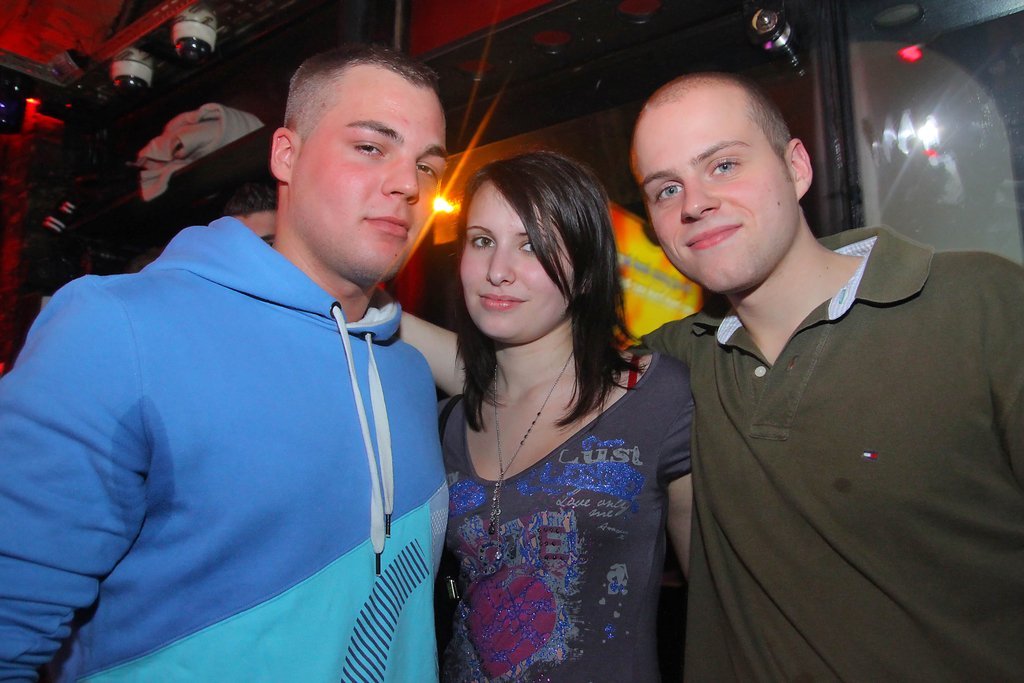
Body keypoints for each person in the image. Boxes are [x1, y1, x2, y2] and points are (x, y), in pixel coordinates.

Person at [0, 44, 449, 682]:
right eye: (371, 146)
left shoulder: (408, 372)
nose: (409, 184)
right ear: (286, 155)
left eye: (427, 165)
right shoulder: (120, 329)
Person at [631, 71, 1024, 680]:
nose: (694, 203)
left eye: (724, 165)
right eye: (666, 189)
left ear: (796, 167)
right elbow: (527, 380)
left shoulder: (980, 305)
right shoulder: (675, 365)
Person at [404, 150, 693, 681]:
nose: (497, 271)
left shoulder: (655, 400)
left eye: (532, 245)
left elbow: (720, 599)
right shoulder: (445, 424)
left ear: (585, 270)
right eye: (482, 241)